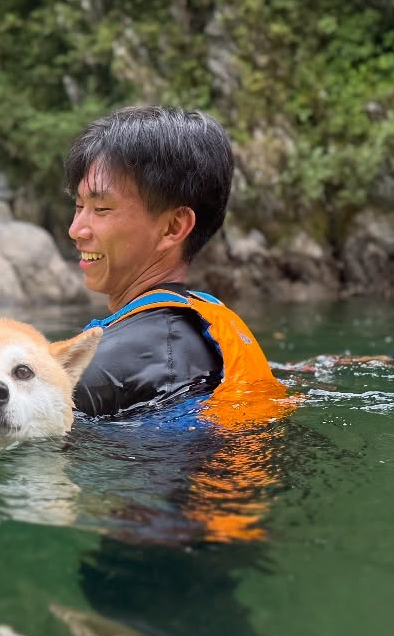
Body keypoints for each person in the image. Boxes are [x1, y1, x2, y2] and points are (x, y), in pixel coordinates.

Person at [64, 105, 282, 420]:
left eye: (101, 209)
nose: (76, 230)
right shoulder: (205, 324)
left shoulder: (102, 369)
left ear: (173, 227)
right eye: (78, 205)